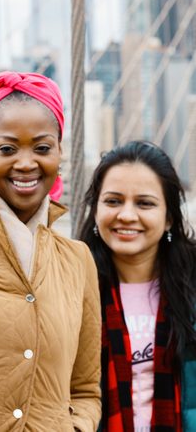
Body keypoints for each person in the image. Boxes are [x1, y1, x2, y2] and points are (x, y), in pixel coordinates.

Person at [0, 71, 102, 431]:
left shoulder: (77, 260)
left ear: (60, 151)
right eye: (8, 148)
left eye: (43, 148)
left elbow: (85, 388)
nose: (26, 163)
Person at [79, 140, 196, 431]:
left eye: (144, 203)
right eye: (113, 201)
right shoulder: (72, 286)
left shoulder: (192, 285)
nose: (127, 215)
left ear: (169, 217)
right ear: (96, 211)